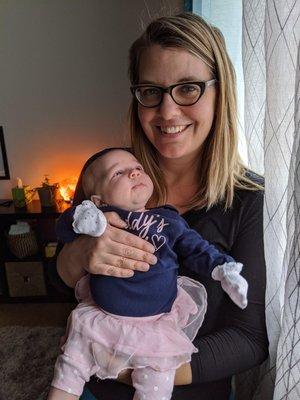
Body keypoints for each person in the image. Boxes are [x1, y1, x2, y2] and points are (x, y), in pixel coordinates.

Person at [53, 12, 268, 400]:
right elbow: (61, 283)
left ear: (221, 93)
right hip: (92, 385)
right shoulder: (111, 176)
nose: (167, 112)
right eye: (151, 91)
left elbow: (250, 339)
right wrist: (78, 255)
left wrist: (141, 369)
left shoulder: (250, 200)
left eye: (188, 88)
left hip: (188, 388)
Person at [48, 148, 248, 400]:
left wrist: (223, 269)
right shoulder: (100, 217)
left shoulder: (168, 220)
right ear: (98, 200)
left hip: (154, 325)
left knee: (156, 380)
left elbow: (197, 248)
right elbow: (64, 226)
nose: (133, 172)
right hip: (102, 317)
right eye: (118, 173)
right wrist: (83, 218)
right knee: (71, 366)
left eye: (138, 168)